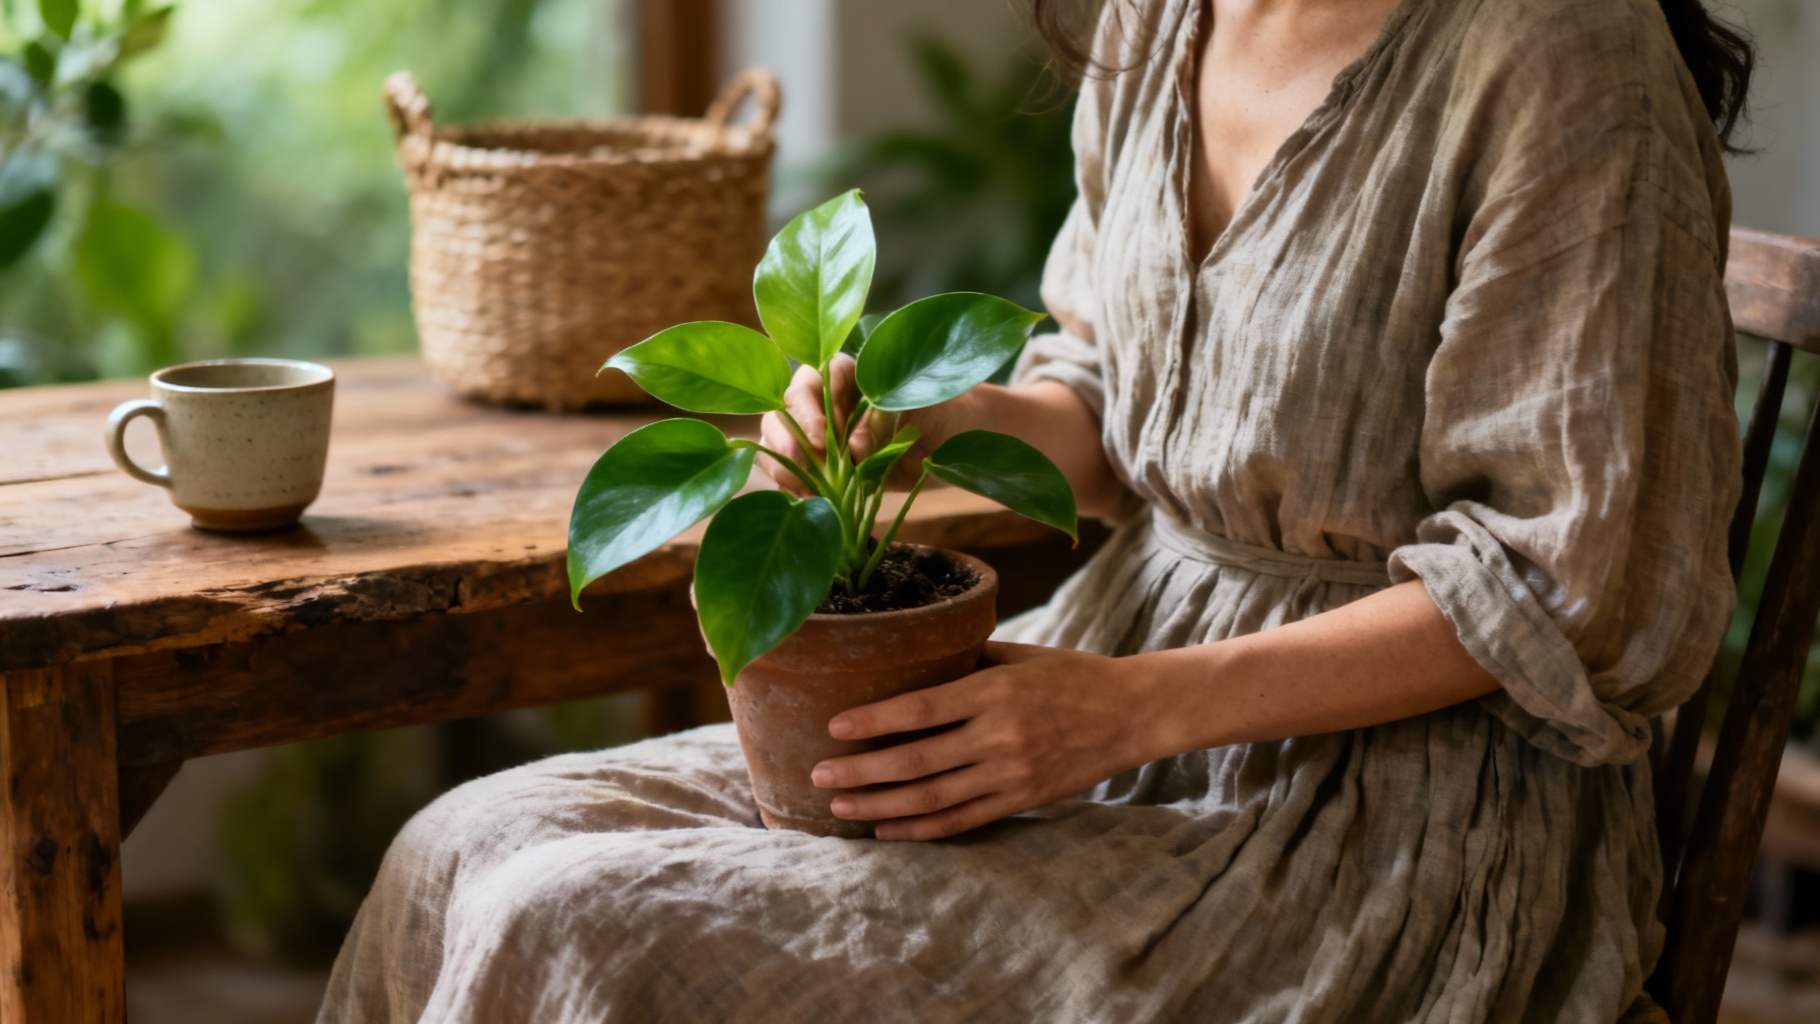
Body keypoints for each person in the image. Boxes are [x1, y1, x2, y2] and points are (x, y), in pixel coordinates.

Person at [319, 0, 1752, 1019]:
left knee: (578, 926)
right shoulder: (1159, 18)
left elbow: (1571, 591)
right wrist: (927, 417)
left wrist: (1124, 713)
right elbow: (1117, 408)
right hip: (1106, 686)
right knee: (462, 851)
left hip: (1383, 825)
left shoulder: (1563, 56)